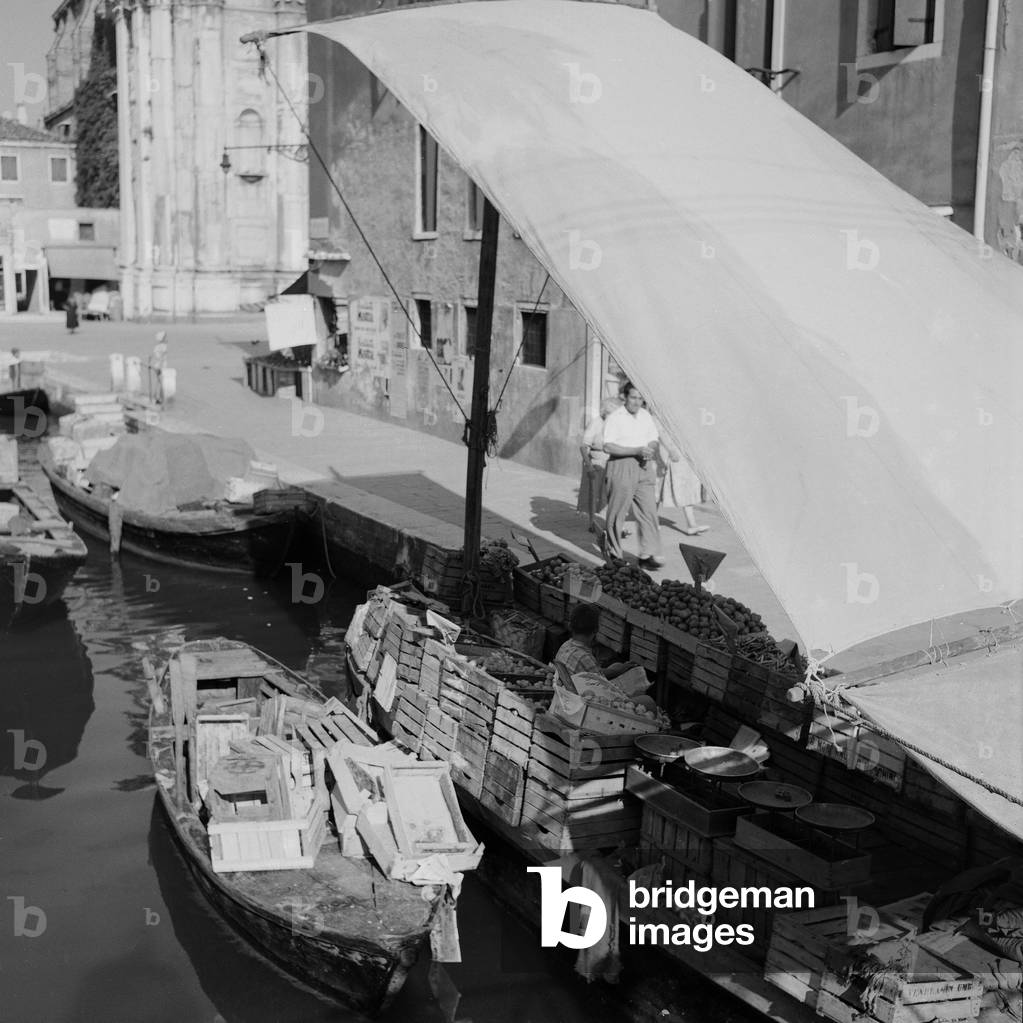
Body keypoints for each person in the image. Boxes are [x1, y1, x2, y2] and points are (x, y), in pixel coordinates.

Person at [601, 381, 663, 568]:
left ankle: (646, 554)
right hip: (622, 466)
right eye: (633, 397)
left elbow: (653, 438)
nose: (637, 402)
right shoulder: (615, 417)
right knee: (617, 512)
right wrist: (636, 450)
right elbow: (607, 446)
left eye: (640, 399)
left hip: (644, 466)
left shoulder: (645, 416)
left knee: (648, 511)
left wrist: (649, 449)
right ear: (625, 397)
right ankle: (615, 554)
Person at [554, 603, 638, 687]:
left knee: (615, 666)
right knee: (647, 699)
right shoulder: (584, 658)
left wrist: (616, 670)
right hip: (580, 696)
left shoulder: (565, 646)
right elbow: (601, 686)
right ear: (596, 630)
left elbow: (592, 672)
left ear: (570, 626)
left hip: (568, 689)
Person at [576, 396, 621, 533]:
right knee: (594, 495)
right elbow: (584, 447)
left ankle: (615, 524)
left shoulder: (616, 425)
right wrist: (589, 466)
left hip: (614, 464)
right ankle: (592, 522)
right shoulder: (596, 423)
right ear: (606, 412)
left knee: (613, 495)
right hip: (596, 463)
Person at [655, 427, 708, 536]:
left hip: (675, 452)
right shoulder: (657, 412)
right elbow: (659, 431)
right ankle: (650, 521)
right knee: (657, 490)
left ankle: (691, 525)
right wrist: (670, 450)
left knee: (682, 486)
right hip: (663, 454)